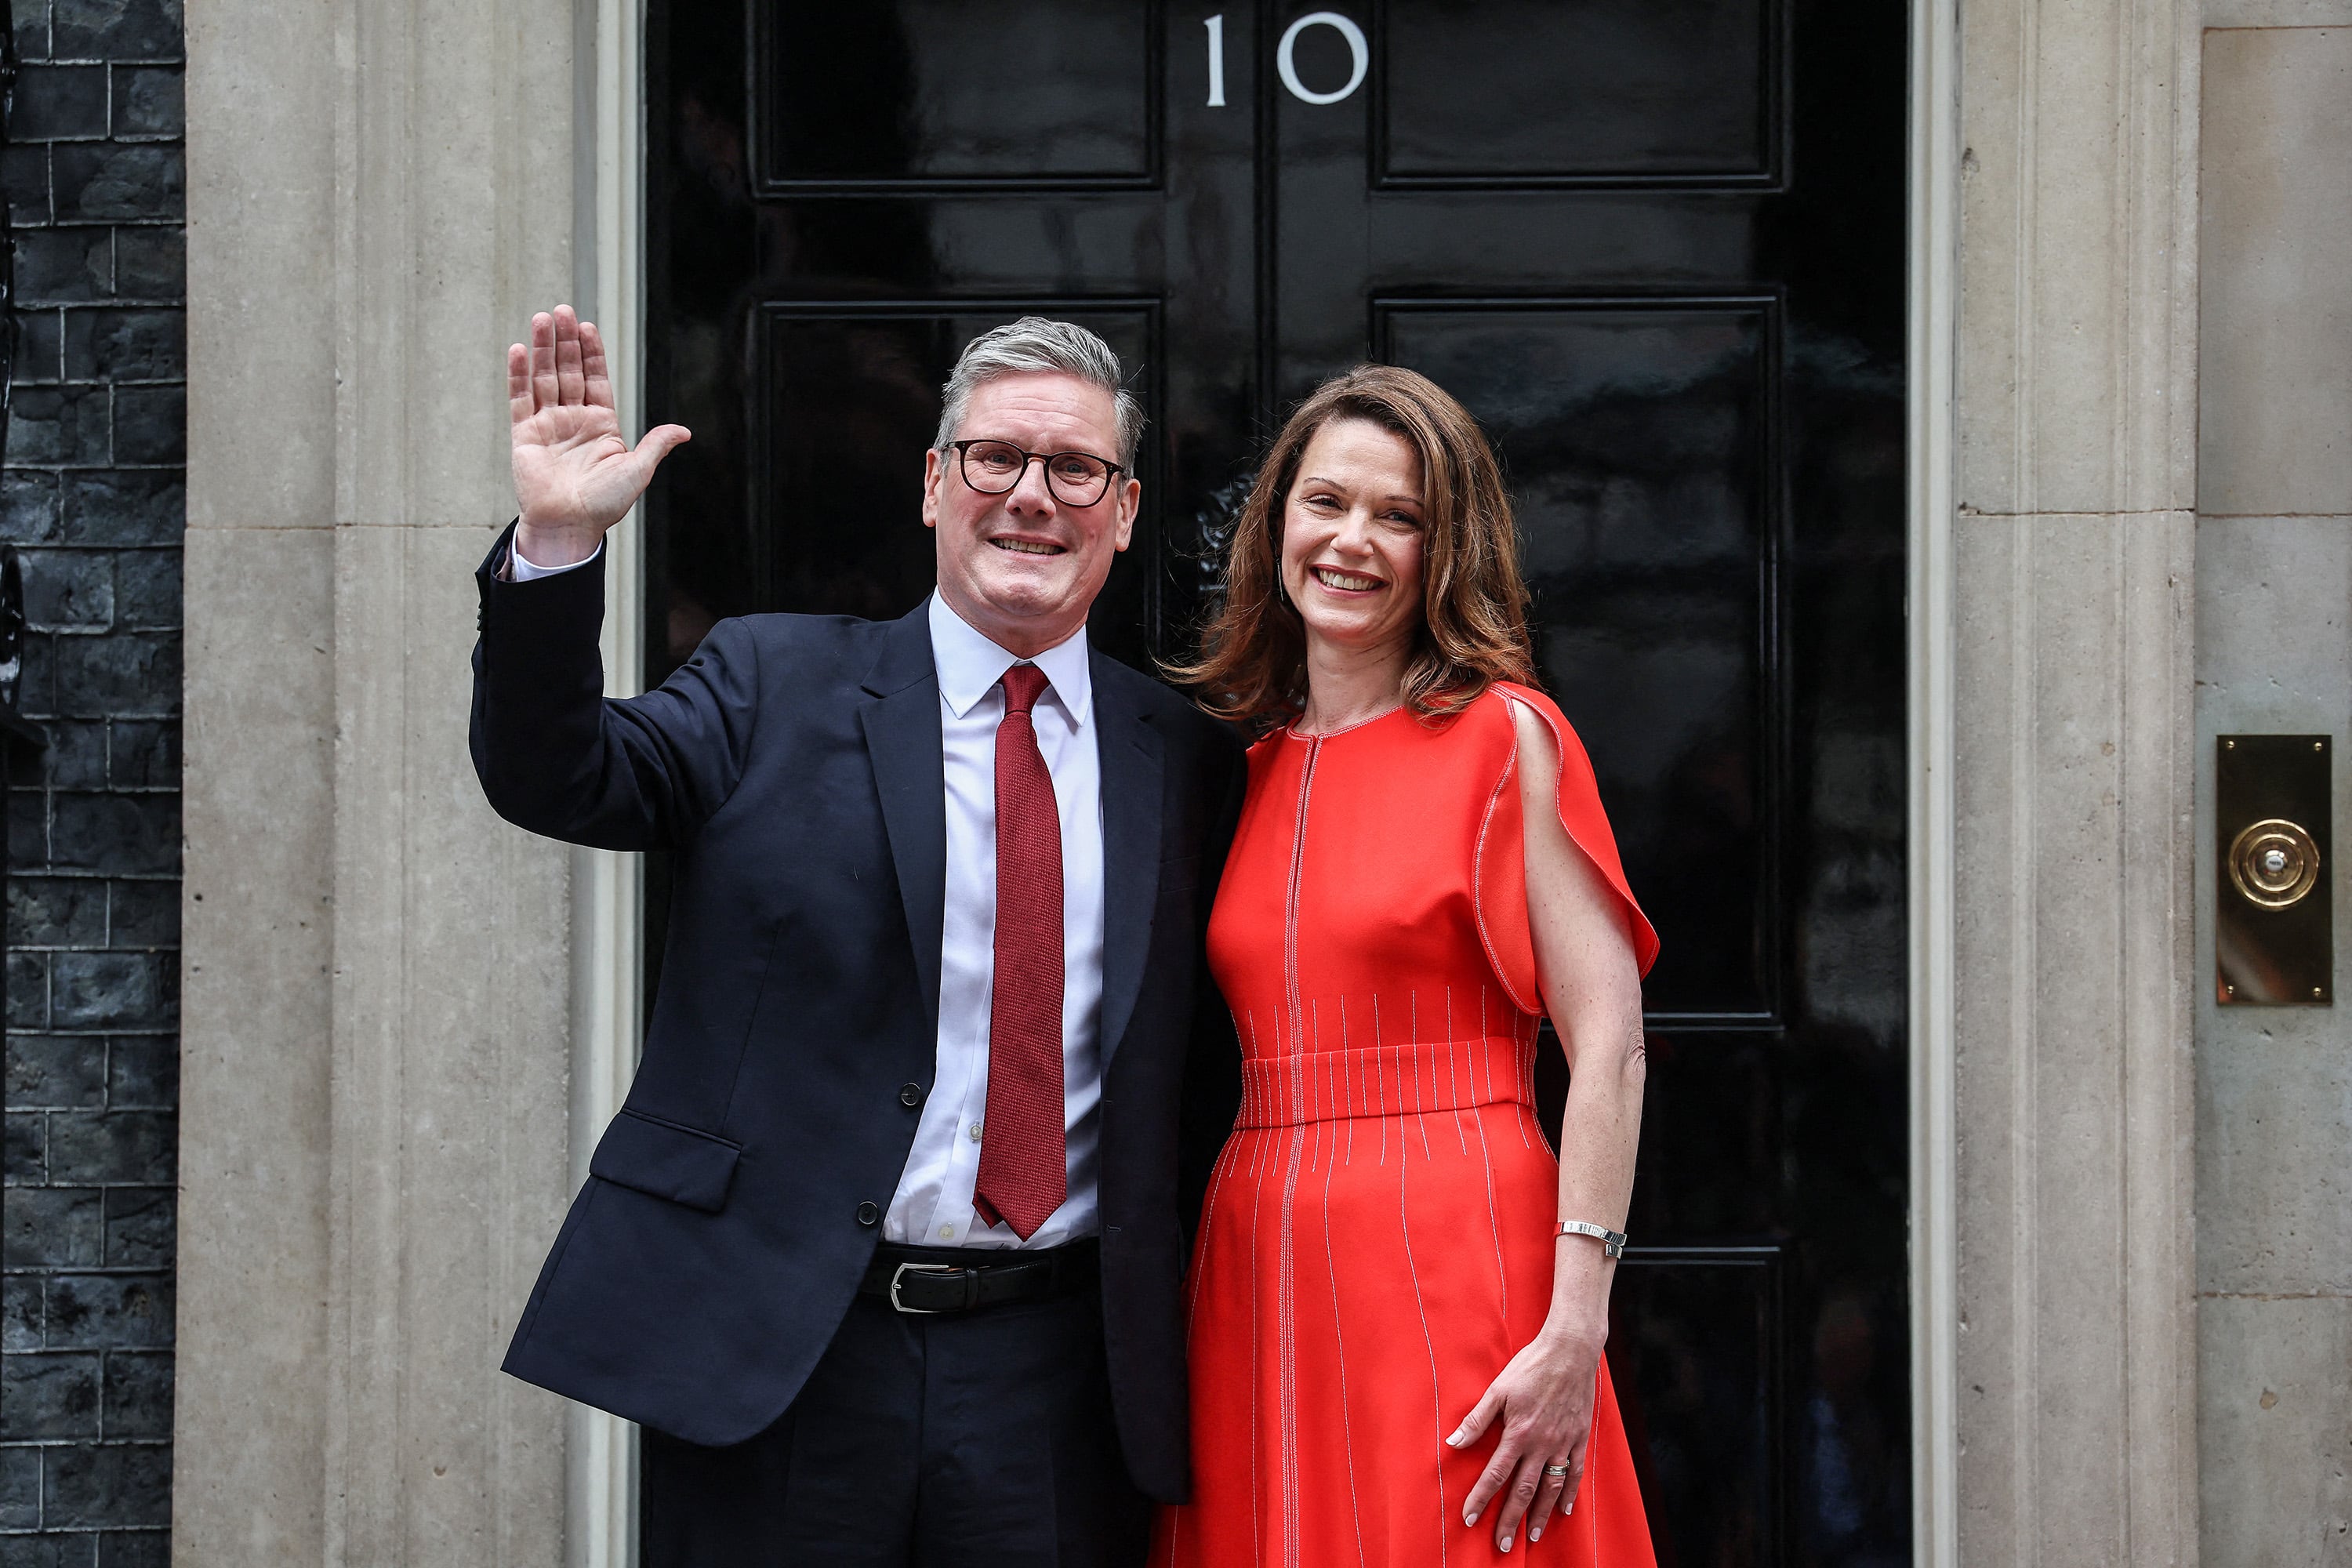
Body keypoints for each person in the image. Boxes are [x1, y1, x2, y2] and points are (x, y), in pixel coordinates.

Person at [473, 307, 1246, 1566]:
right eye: (995, 458)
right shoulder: (768, 682)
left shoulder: (1188, 761)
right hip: (785, 1358)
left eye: (1075, 469)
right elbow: (556, 776)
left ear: (1123, 509)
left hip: (1059, 1382)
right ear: (935, 484)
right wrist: (558, 543)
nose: (1031, 496)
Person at [1153, 366, 1661, 1566]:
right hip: (1258, 1258)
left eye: (1399, 517)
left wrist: (1578, 1323)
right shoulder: (1241, 773)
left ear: (1446, 549)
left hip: (1456, 1242)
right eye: (1327, 502)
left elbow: (1611, 1047)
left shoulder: (1506, 737)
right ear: (1278, 520)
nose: (1353, 541)